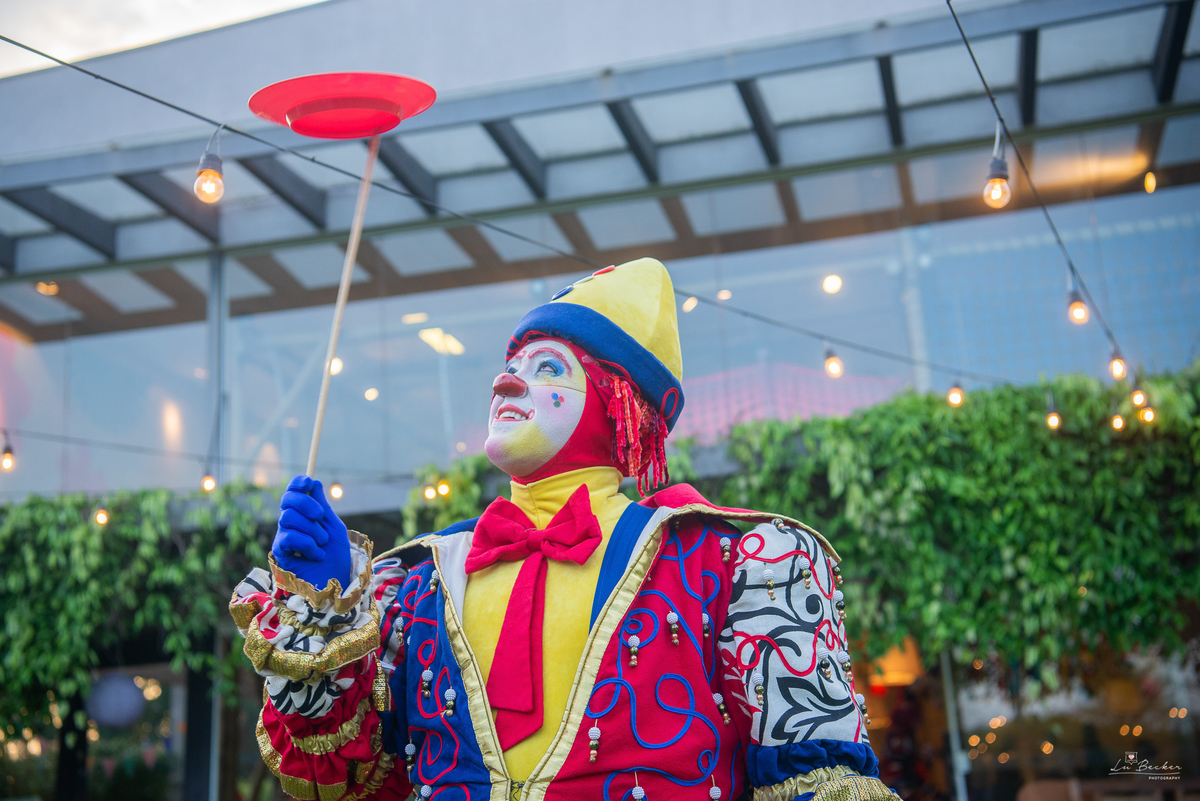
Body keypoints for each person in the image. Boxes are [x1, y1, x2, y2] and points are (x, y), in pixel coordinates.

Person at [231, 258, 893, 801]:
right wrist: (320, 613)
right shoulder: (415, 578)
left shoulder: (742, 559)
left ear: (619, 403)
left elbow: (819, 779)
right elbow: (344, 778)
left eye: (548, 368)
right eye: (512, 366)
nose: (505, 381)